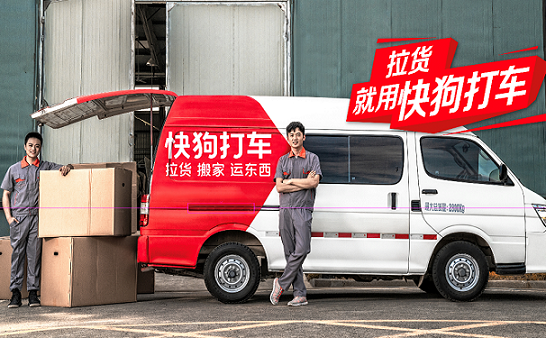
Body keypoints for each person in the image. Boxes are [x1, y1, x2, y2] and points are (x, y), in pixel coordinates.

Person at [1, 132, 73, 308]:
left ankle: (33, 293)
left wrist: (68, 167)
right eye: (31, 145)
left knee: (34, 255)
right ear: (25, 147)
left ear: (40, 149)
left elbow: (66, 167)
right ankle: (15, 294)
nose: (34, 149)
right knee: (17, 255)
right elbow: (6, 194)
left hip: (36, 220)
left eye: (37, 146)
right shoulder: (14, 169)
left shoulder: (45, 167)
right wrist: (9, 218)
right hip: (19, 219)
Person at [270, 121, 321, 306]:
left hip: (303, 210)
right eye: (291, 135)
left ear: (303, 137)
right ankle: (300, 294)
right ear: (288, 138)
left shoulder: (312, 159)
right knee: (290, 252)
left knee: (303, 248)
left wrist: (290, 182)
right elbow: (278, 187)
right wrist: (300, 182)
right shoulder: (283, 160)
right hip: (285, 211)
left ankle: (281, 283)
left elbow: (313, 183)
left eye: (298, 134)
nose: (295, 137)